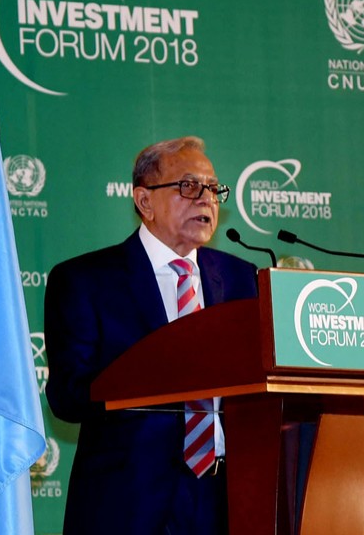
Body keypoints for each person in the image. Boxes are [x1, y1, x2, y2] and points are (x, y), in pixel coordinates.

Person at [44, 136, 258, 534]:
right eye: (189, 186)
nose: (206, 199)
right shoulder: (85, 280)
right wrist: (157, 370)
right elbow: (68, 395)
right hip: (126, 501)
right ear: (145, 201)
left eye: (213, 189)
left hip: (225, 500)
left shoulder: (241, 278)